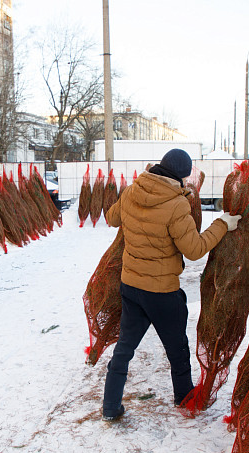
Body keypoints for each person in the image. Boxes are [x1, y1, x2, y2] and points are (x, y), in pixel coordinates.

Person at [101, 148, 241, 421]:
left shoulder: (132, 191)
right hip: (162, 293)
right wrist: (222, 224)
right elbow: (194, 249)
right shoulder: (177, 205)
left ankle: (110, 405)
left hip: (130, 287)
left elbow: (111, 218)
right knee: (177, 350)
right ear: (181, 177)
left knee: (124, 348)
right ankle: (184, 398)